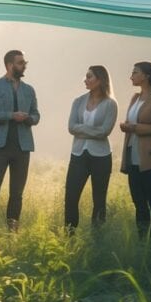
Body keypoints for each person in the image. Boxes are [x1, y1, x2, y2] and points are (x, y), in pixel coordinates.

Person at [0, 49, 40, 232]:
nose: (24, 66)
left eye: (24, 63)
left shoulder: (29, 90)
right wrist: (11, 115)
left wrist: (28, 118)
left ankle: (12, 233)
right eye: (20, 63)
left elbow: (36, 115)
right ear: (9, 65)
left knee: (17, 194)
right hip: (0, 147)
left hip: (23, 148)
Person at [119, 61, 151, 242]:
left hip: (150, 159)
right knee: (138, 202)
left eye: (135, 72)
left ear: (146, 76)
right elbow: (131, 123)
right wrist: (127, 126)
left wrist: (134, 127)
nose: (131, 76)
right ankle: (142, 241)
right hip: (132, 156)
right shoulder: (135, 98)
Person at [64, 65, 118, 230]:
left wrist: (81, 129)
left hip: (101, 157)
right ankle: (69, 235)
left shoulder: (111, 104)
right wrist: (92, 130)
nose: (85, 80)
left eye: (89, 77)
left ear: (100, 80)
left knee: (99, 200)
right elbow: (71, 127)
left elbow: (105, 131)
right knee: (71, 197)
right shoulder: (78, 101)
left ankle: (97, 236)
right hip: (78, 155)